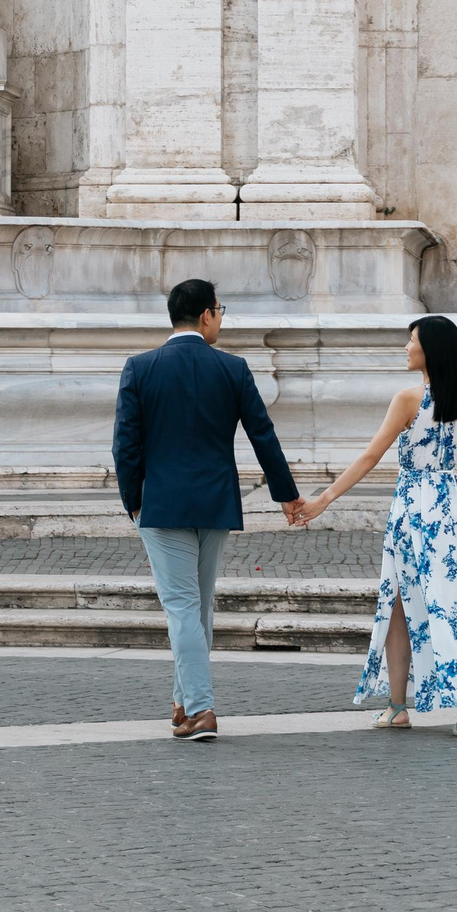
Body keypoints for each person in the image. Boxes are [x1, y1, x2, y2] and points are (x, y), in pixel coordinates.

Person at [288, 315, 457, 737]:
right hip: (454, 508)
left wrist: (323, 500)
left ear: (430, 351)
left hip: (414, 508)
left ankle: (403, 706)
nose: (406, 348)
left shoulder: (408, 399)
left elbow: (370, 458)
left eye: (412, 341)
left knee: (400, 604)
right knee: (455, 601)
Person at [112, 279, 302, 741]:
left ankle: (200, 709)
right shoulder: (233, 369)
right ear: (205, 316)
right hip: (215, 501)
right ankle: (183, 702)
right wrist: (287, 495)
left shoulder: (140, 368)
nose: (221, 317)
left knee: (182, 607)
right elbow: (264, 436)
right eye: (221, 309)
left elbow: (126, 446)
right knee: (197, 608)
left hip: (162, 503)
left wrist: (133, 500)